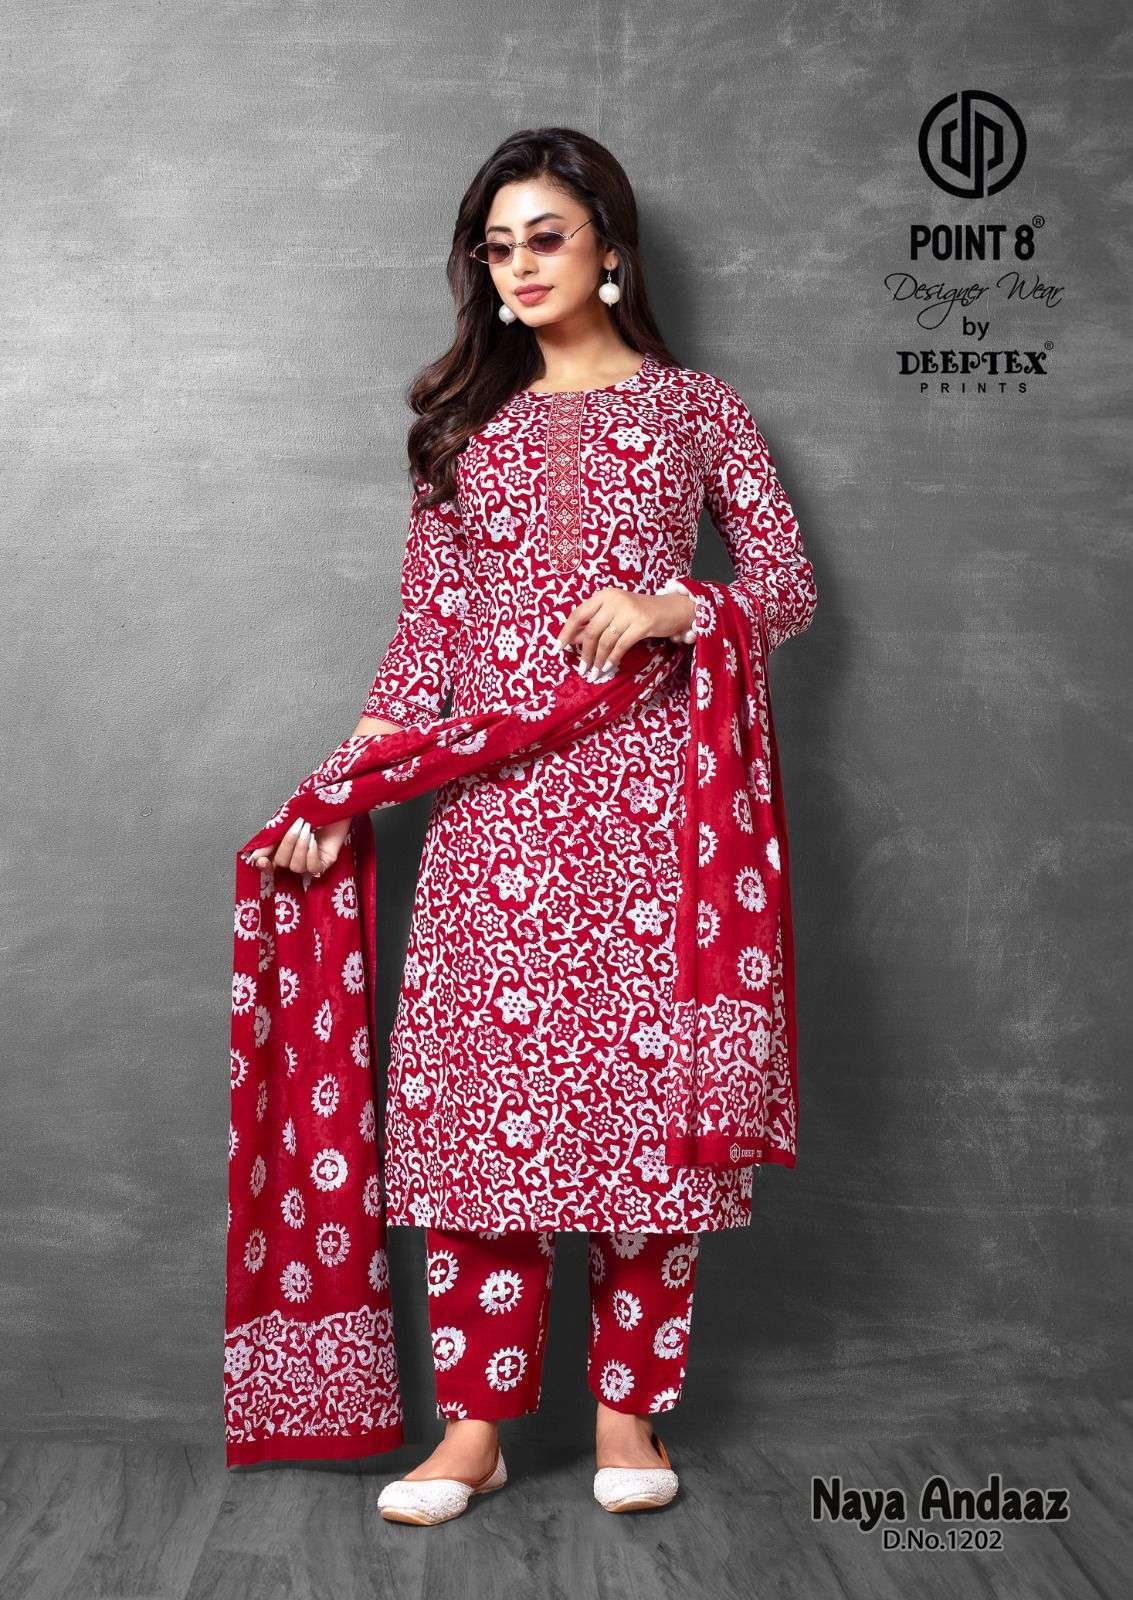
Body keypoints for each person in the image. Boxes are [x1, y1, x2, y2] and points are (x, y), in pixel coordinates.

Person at [247, 125, 817, 1522]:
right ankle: (474, 1435)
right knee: (478, 1124)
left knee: (644, 1120)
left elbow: (786, 584)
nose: (518, 266)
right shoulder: (463, 431)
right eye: (496, 247)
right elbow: (420, 657)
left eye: (545, 237)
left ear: (610, 248)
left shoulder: (695, 410)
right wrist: (336, 794)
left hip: (655, 808)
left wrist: (680, 606)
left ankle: (630, 1424)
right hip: (495, 819)